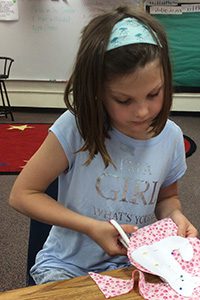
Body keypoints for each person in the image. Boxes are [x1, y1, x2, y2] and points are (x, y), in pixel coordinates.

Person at [9, 6, 198, 285]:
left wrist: (175, 217)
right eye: (124, 100)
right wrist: (91, 228)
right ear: (96, 91)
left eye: (154, 94)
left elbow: (166, 199)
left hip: (135, 265)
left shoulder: (170, 137)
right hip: (67, 266)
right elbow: (22, 194)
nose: (143, 111)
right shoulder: (76, 127)